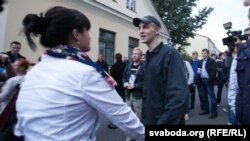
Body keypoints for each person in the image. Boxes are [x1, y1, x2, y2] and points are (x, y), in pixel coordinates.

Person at [14, 6, 144, 141]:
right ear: (76, 34)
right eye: (87, 30)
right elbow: (128, 122)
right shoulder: (85, 73)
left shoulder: (32, 73)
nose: (90, 35)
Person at [133, 16, 189, 125]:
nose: (141, 31)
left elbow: (179, 97)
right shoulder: (148, 56)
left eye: (145, 27)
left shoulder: (170, 54)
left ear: (157, 30)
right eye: (139, 28)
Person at [199, 49, 218, 119]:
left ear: (207, 54)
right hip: (202, 80)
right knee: (204, 96)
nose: (203, 54)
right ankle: (206, 110)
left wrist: (209, 80)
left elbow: (214, 71)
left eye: (205, 53)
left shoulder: (212, 61)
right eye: (202, 53)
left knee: (212, 97)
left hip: (208, 81)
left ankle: (214, 112)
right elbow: (199, 70)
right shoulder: (200, 61)